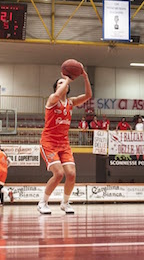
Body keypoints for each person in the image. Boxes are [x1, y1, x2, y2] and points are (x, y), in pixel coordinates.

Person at [38, 61, 92, 214]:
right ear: (57, 87)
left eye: (65, 82)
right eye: (60, 82)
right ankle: (43, 202)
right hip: (48, 142)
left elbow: (88, 95)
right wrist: (68, 77)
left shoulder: (71, 102)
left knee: (71, 174)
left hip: (64, 143)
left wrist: (85, 76)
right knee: (59, 173)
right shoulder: (52, 100)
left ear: (68, 88)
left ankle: (65, 203)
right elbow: (56, 95)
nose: (64, 83)